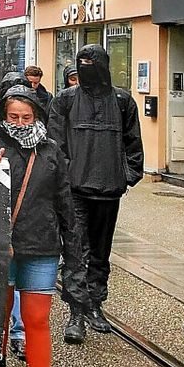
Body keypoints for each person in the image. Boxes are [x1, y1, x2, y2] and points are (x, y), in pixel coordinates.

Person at [0, 86, 88, 367]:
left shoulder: (50, 151)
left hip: (41, 245)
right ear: (2, 116)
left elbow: (65, 203)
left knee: (36, 320)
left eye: (27, 117)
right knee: (2, 314)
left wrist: (75, 256)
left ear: (38, 116)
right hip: (0, 246)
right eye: (14, 117)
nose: (21, 123)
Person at [49, 44, 143, 342]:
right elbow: (55, 144)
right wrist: (64, 178)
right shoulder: (65, 100)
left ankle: (95, 304)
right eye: (81, 62)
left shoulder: (123, 102)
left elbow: (133, 144)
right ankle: (76, 311)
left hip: (108, 191)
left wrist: (126, 176)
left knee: (101, 253)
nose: (86, 67)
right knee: (75, 251)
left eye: (92, 62)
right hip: (75, 191)